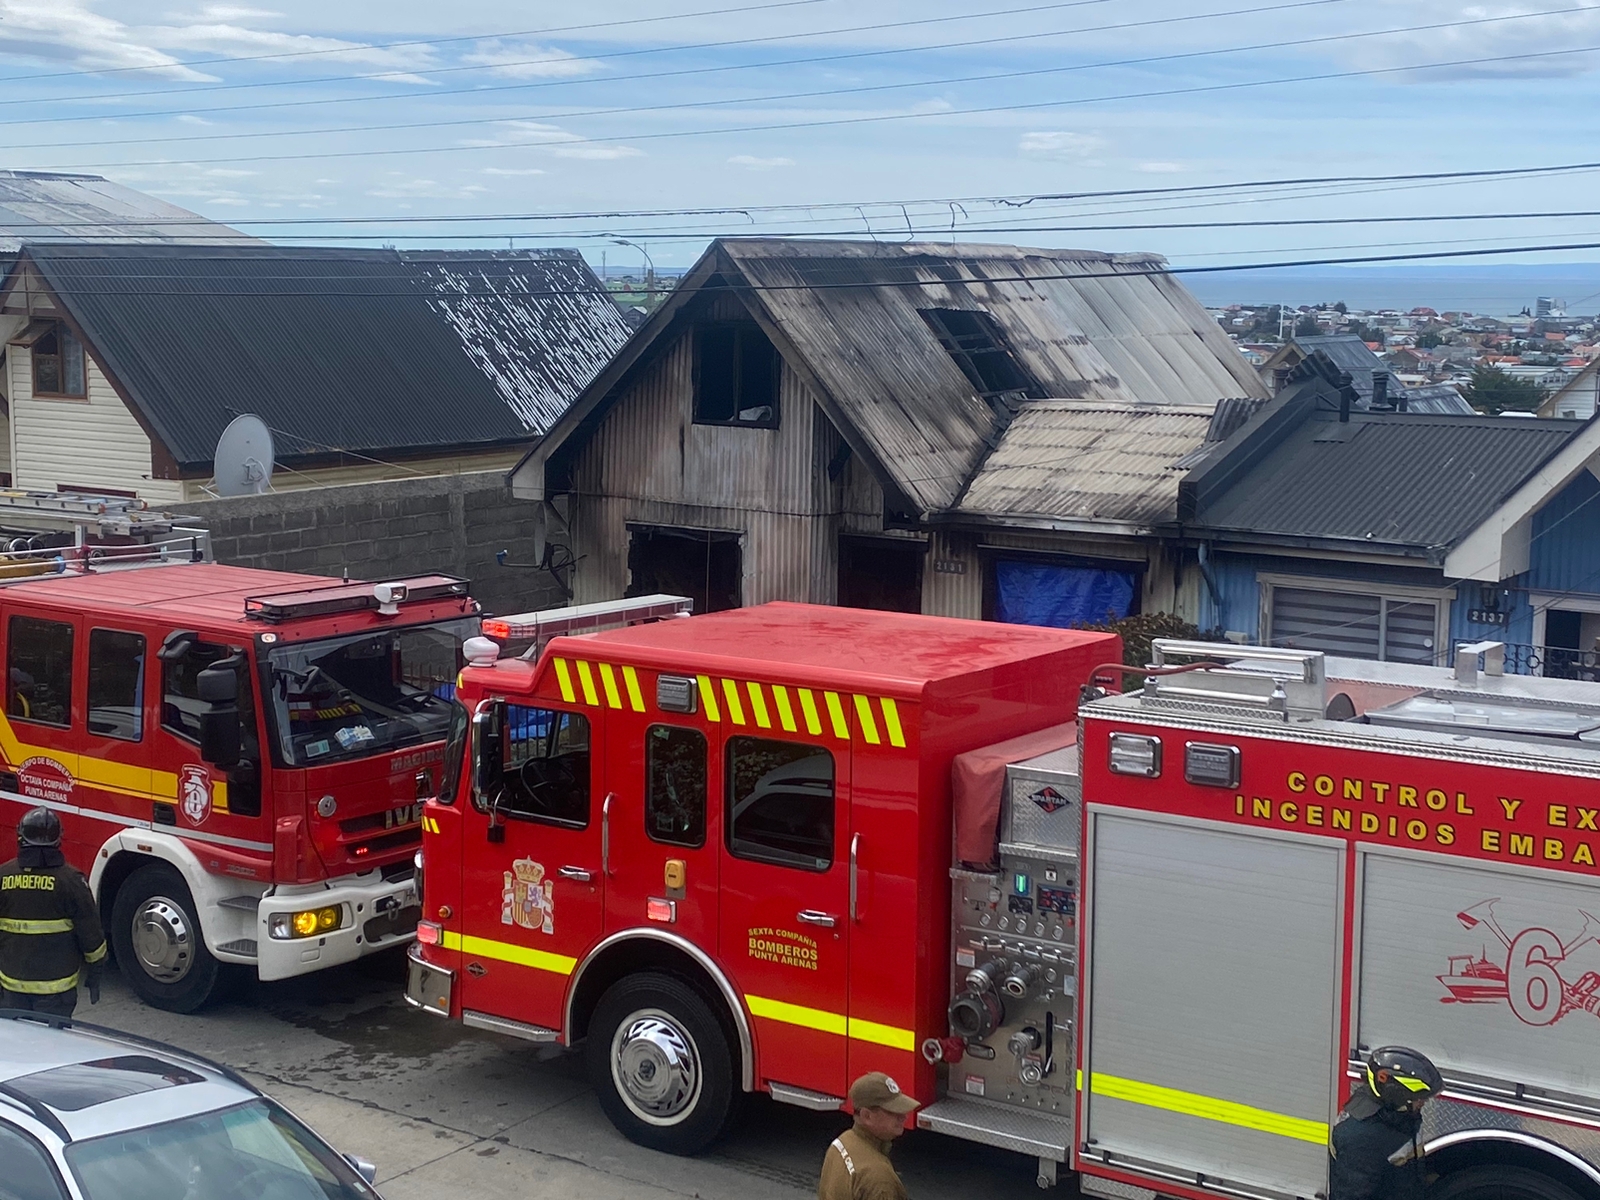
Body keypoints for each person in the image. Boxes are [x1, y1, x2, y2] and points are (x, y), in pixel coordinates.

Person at [0, 807, 106, 1017]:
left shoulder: (3, 876)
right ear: (58, 841)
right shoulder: (71, 881)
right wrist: (95, 972)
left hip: (11, 989)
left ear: (20, 837)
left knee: (16, 1047)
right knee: (51, 1048)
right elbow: (91, 934)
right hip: (56, 993)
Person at [1329, 1046, 1444, 1200]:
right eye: (1419, 1097)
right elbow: (1352, 1194)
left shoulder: (1397, 1116)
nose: (1423, 1102)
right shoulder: (1363, 1139)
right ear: (1396, 1093)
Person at [819, 1071, 920, 1200]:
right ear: (867, 1116)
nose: (904, 1116)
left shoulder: (840, 1143)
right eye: (894, 1111)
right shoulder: (880, 1181)